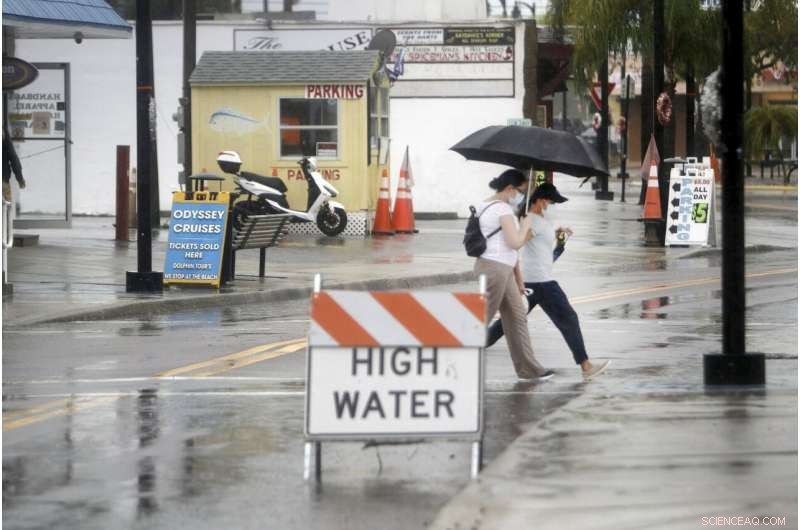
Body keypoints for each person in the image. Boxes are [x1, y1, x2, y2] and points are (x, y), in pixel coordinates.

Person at [486, 182, 610, 380]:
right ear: (542, 201)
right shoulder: (531, 221)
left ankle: (476, 342)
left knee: (507, 323)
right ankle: (586, 366)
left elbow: (545, 256)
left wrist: (559, 242)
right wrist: (516, 277)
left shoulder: (540, 221)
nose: (554, 206)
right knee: (568, 319)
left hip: (535, 281)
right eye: (552, 202)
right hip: (541, 284)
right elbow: (515, 246)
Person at [474, 169, 553, 381]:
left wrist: (518, 279)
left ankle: (529, 369)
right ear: (509, 188)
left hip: (502, 269)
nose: (521, 195)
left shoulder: (485, 205)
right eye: (520, 190)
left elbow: (511, 251)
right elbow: (515, 243)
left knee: (517, 318)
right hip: (495, 269)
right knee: (481, 319)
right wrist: (527, 226)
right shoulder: (502, 210)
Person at [3, 128, 25, 203]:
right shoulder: (3, 133)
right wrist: (20, 179)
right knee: (6, 205)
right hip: (3, 180)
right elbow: (13, 158)